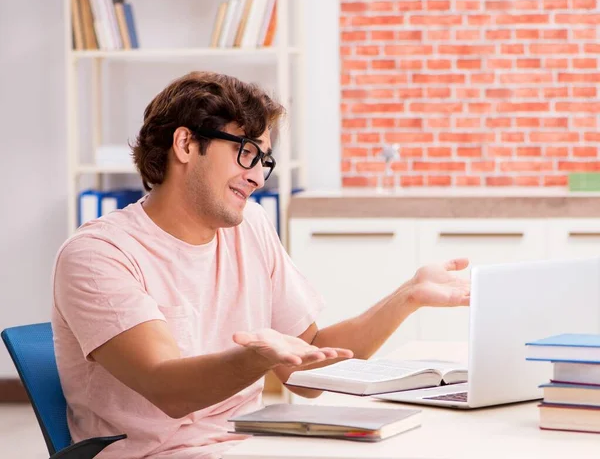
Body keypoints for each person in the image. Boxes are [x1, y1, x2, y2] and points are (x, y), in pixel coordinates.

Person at [52, 71, 470, 459]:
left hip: (249, 444)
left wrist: (406, 296)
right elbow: (169, 389)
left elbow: (307, 374)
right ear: (184, 144)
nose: (257, 177)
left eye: (263, 160)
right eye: (245, 152)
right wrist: (257, 359)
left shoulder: (249, 226)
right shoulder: (99, 254)